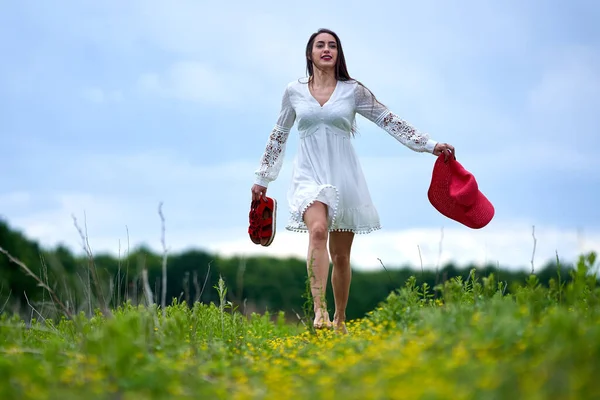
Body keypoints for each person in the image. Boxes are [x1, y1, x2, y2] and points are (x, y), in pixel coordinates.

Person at [250, 28, 455, 333]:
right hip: (308, 174)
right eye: (320, 45)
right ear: (310, 54)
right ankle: (319, 310)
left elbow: (389, 120)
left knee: (342, 256)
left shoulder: (353, 91)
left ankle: (340, 319)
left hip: (344, 176)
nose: (326, 50)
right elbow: (279, 135)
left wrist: (428, 144)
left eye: (332, 45)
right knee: (317, 231)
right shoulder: (293, 91)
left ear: (338, 54)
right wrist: (263, 178)